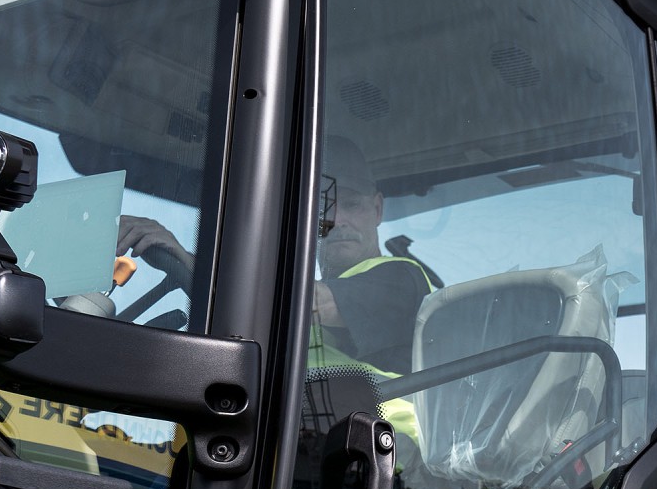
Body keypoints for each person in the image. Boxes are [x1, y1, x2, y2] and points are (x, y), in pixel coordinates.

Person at [117, 136, 438, 376]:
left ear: (378, 209)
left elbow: (308, 303)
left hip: (383, 455)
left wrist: (190, 261)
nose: (337, 221)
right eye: (323, 209)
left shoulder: (402, 277)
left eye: (352, 205)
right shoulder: (279, 307)